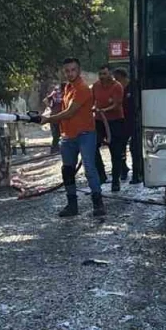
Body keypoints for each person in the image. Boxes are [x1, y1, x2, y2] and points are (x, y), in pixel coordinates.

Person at [39, 58, 105, 218]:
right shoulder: (67, 88)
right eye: (67, 70)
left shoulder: (83, 89)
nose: (70, 73)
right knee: (67, 170)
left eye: (73, 70)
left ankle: (98, 203)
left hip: (85, 134)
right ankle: (72, 205)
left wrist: (48, 119)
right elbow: (60, 108)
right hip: (67, 135)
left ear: (79, 70)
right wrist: (48, 113)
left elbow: (69, 112)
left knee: (89, 169)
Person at [92, 65, 127, 193]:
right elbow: (91, 101)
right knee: (92, 146)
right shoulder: (95, 86)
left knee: (115, 152)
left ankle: (115, 181)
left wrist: (103, 110)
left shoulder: (117, 86)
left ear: (110, 74)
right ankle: (101, 174)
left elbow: (117, 104)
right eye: (100, 74)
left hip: (115, 121)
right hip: (99, 121)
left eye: (104, 74)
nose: (102, 77)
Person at [114, 68, 143, 185]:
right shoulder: (117, 89)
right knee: (119, 148)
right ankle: (123, 169)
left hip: (134, 122)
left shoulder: (134, 87)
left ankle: (137, 172)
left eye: (117, 79)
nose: (116, 81)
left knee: (134, 148)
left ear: (123, 77)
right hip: (122, 122)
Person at [44, 81, 64, 154]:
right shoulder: (60, 94)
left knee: (57, 134)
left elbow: (45, 100)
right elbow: (45, 100)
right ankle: (54, 149)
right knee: (57, 134)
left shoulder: (56, 94)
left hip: (57, 116)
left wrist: (50, 107)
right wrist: (50, 107)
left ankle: (56, 148)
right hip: (57, 117)